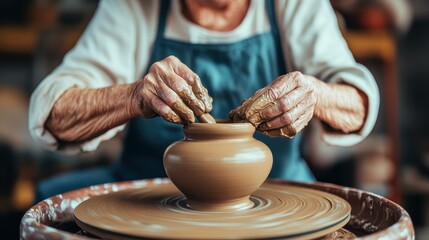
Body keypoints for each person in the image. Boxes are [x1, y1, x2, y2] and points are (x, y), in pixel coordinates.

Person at [29, 0, 379, 202]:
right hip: (153, 201)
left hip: (275, 195)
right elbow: (53, 112)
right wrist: (134, 96)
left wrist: (315, 95)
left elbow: (359, 104)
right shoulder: (133, 6)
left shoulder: (294, 4)